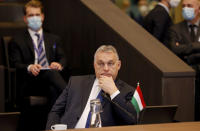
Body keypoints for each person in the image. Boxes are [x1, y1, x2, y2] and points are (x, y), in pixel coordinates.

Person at [46, 45, 137, 129]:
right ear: (94, 65)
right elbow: (55, 112)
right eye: (100, 63)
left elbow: (132, 120)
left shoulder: (129, 91)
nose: (105, 68)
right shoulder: (76, 82)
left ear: (118, 65)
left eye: (110, 63)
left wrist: (113, 92)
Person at [8, 0, 67, 130]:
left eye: (37, 14)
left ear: (42, 16)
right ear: (25, 18)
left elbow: (63, 59)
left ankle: (50, 126)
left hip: (51, 81)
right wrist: (29, 67)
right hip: (31, 82)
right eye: (30, 15)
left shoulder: (54, 38)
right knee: (52, 76)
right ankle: (71, 96)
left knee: (53, 87)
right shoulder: (16, 40)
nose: (34, 18)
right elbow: (15, 63)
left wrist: (59, 65)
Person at [165, 0, 200, 121]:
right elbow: (174, 50)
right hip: (184, 80)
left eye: (189, 6)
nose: (186, 8)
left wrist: (186, 52)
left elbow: (180, 50)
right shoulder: (175, 29)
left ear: (198, 9)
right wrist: (197, 46)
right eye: (184, 6)